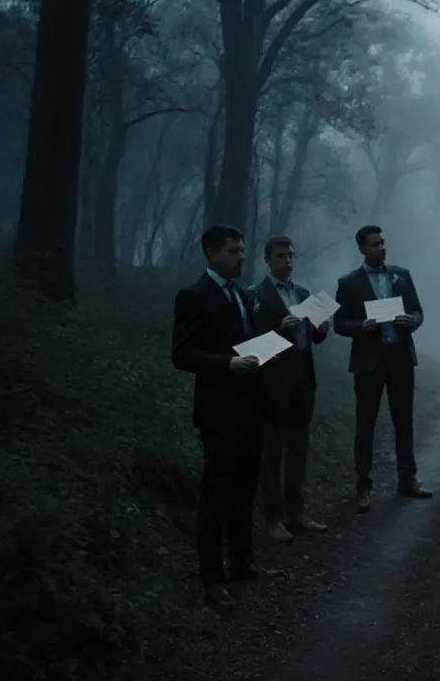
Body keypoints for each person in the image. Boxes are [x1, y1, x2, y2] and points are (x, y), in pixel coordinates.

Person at [171, 224, 266, 606]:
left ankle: (242, 562)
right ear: (211, 253)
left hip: (251, 407)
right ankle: (212, 576)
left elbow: (247, 344)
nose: (241, 257)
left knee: (245, 489)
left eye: (242, 251)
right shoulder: (193, 296)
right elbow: (182, 355)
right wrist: (228, 364)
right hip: (218, 412)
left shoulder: (242, 295)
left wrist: (268, 349)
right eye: (233, 251)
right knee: (216, 493)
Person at [334, 224, 432, 513]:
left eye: (382, 243)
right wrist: (360, 327)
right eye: (375, 244)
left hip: (400, 357)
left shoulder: (401, 275)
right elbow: (340, 323)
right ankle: (363, 488)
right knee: (366, 426)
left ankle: (407, 480)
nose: (381, 248)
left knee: (404, 422)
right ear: (362, 249)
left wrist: (411, 321)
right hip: (368, 361)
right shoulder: (349, 282)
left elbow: (417, 310)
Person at [250, 236, 330, 542]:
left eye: (291, 255)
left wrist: (321, 329)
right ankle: (273, 518)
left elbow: (315, 337)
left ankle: (297, 512)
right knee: (273, 452)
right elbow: (252, 340)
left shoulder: (303, 293)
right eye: (281, 256)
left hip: (303, 380)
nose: (288, 261)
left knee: (299, 449)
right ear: (267, 260)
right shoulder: (258, 295)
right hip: (273, 383)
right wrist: (279, 328)